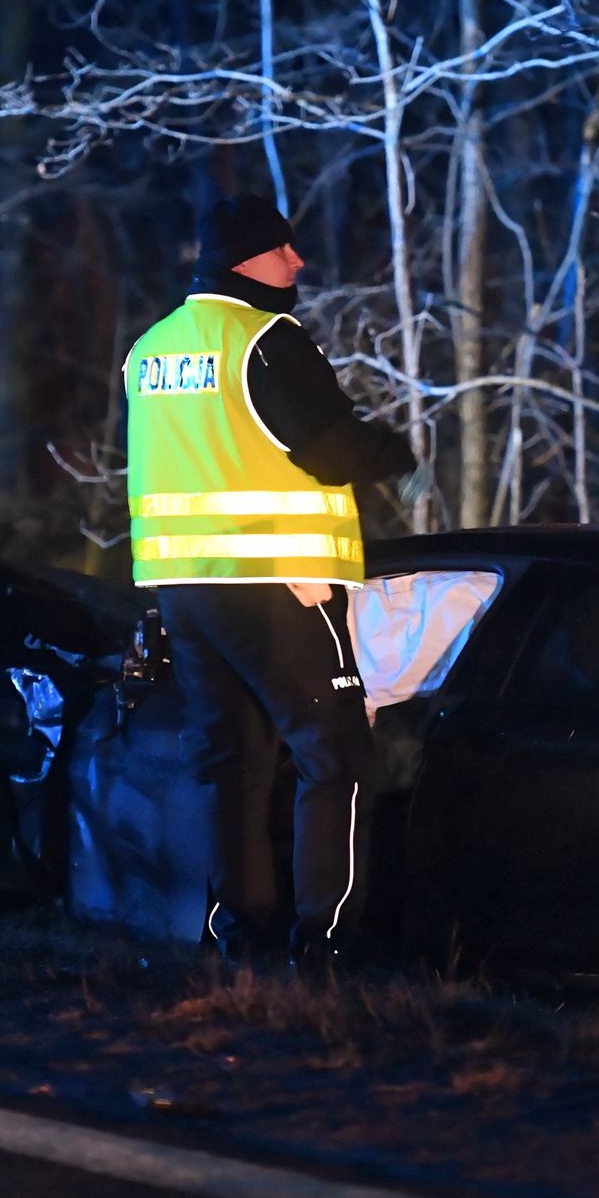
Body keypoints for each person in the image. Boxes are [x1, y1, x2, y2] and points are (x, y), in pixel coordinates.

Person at [124, 193, 418, 969]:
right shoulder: (264, 340)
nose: (298, 262)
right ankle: (327, 947)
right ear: (248, 258)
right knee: (338, 756)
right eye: (284, 249)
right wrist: (393, 453)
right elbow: (329, 449)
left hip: (185, 590)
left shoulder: (151, 348)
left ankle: (241, 937)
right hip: (283, 585)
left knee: (231, 764)